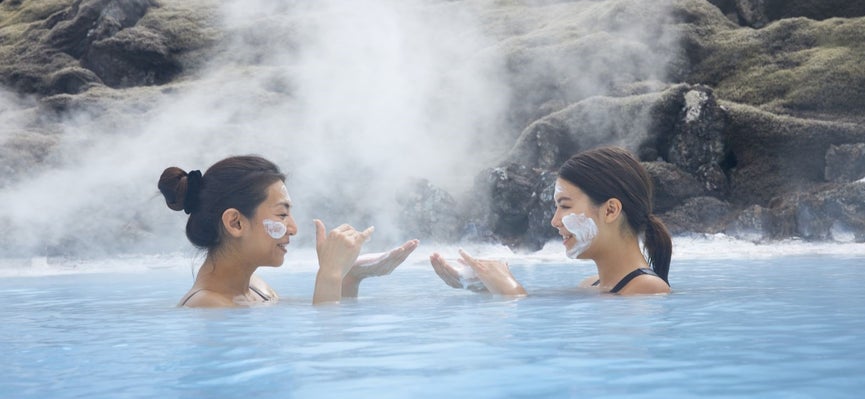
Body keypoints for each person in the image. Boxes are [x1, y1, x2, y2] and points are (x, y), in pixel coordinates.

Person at [158, 155, 419, 308]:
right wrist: (328, 275)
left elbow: (330, 336)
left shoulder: (257, 290)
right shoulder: (206, 305)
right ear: (235, 223)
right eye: (282, 214)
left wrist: (348, 277)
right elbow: (321, 356)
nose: (293, 228)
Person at [430, 146, 671, 296]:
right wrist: (485, 285)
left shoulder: (648, 288)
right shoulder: (590, 285)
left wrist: (511, 292)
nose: (555, 221)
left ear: (610, 210)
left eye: (565, 206)